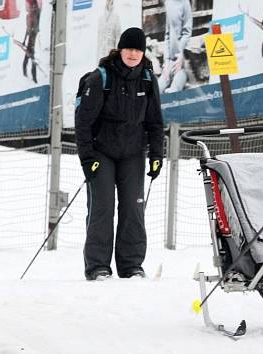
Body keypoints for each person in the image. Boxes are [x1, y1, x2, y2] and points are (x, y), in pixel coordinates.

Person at [75, 27, 164, 281]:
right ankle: (97, 267)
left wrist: (157, 155)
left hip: (133, 153)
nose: (133, 54)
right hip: (101, 153)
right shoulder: (100, 78)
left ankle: (131, 266)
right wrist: (88, 159)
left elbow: (155, 121)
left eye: (138, 49)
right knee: (102, 208)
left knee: (133, 210)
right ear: (120, 49)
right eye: (129, 49)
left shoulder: (147, 79)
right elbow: (83, 123)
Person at [157, 0, 192, 94]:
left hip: (183, 64)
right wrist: (166, 62)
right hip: (170, 63)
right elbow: (167, 35)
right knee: (156, 91)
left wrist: (181, 54)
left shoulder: (185, 3)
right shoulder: (168, 2)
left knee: (173, 92)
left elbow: (187, 32)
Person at [23, 0, 41, 83]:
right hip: (31, 39)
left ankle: (33, 77)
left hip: (34, 38)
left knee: (31, 57)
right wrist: (24, 40)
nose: (31, 8)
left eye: (33, 6)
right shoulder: (29, 16)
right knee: (29, 56)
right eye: (31, 7)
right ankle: (27, 74)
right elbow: (27, 29)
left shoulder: (37, 14)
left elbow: (36, 28)